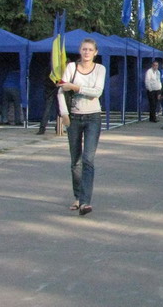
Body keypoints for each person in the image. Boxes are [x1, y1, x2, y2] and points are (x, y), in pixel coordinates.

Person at [57, 38, 106, 216]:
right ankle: (77, 196)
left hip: (93, 117)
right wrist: (64, 114)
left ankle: (85, 202)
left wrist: (76, 87)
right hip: (74, 117)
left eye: (90, 50)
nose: (87, 52)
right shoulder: (71, 68)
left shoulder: (100, 69)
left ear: (95, 52)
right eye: (84, 49)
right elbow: (61, 90)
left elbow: (97, 92)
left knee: (88, 159)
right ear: (80, 51)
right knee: (75, 160)